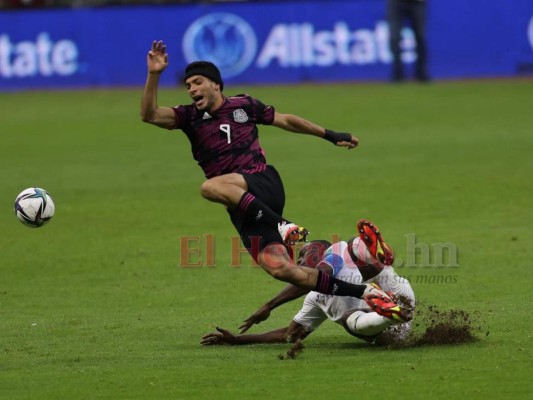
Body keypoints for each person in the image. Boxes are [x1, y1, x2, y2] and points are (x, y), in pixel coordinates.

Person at [140, 40, 401, 310]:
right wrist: (153, 74)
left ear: (216, 84)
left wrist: (331, 135)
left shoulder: (244, 105)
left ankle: (285, 225)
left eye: (197, 82)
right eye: (188, 86)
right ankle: (366, 293)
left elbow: (286, 120)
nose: (192, 89)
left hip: (263, 182)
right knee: (283, 270)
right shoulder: (188, 117)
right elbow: (148, 115)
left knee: (209, 187)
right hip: (245, 209)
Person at [201, 227, 415, 346]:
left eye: (305, 256)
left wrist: (270, 305)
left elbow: (319, 275)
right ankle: (386, 312)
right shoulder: (315, 298)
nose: (301, 263)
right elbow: (289, 335)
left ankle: (385, 309)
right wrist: (237, 340)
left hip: (395, 298)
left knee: (351, 316)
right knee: (355, 310)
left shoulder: (333, 255)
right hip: (399, 312)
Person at [387, 0, 430, 82]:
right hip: (396, 3)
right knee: (395, 38)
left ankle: (421, 73)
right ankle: (397, 74)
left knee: (420, 37)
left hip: (418, 2)